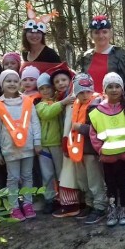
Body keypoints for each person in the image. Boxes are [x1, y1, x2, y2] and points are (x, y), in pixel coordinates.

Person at [55, 74, 107, 223]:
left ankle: (100, 206)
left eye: (87, 91)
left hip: (91, 150)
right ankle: (89, 204)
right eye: (81, 92)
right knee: (83, 180)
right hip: (77, 149)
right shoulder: (75, 104)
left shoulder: (97, 103)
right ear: (76, 92)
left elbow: (98, 128)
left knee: (94, 179)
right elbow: (69, 126)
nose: (85, 95)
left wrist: (81, 128)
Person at [0, 70, 42, 221]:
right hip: (9, 148)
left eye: (15, 81)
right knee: (13, 178)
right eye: (8, 81)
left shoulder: (27, 101)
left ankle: (27, 203)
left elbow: (34, 123)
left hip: (27, 147)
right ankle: (14, 206)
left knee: (27, 176)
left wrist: (37, 142)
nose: (12, 84)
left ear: (19, 84)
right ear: (2, 84)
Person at [88, 73, 125, 227]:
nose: (114, 89)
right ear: (104, 90)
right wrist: (100, 150)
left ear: (122, 89)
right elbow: (93, 133)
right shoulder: (96, 112)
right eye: (110, 86)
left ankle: (123, 209)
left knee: (123, 182)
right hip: (107, 157)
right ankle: (112, 209)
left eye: (117, 86)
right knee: (110, 183)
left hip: (124, 155)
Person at [77, 14, 125, 102]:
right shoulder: (85, 57)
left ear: (110, 33)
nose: (101, 36)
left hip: (115, 108)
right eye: (96, 32)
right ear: (91, 35)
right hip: (89, 107)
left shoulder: (122, 56)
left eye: (104, 32)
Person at [34, 73, 73, 214]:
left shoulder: (60, 100)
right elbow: (47, 113)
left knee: (61, 172)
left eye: (48, 87)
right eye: (42, 88)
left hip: (57, 143)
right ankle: (50, 200)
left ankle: (65, 199)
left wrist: (62, 102)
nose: (45, 91)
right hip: (45, 145)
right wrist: (63, 103)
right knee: (47, 174)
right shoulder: (40, 105)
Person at [21, 2, 62, 74]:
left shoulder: (50, 54)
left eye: (38, 33)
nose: (34, 36)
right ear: (25, 34)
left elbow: (60, 74)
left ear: (42, 35)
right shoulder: (25, 53)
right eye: (31, 32)